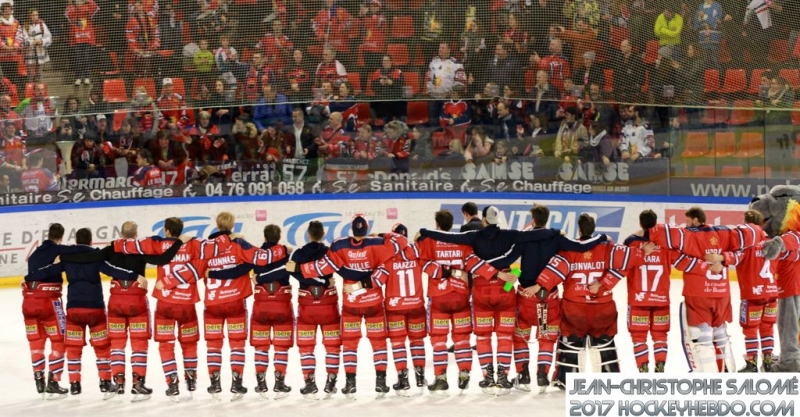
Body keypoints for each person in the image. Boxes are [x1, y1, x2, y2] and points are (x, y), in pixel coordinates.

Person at [419, 206, 563, 395]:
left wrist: (424, 232)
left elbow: (450, 237)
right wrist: (554, 231)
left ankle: (488, 378)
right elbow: (531, 236)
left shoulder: (474, 236)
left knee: (483, 337)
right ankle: (502, 378)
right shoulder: (509, 235)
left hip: (481, 291)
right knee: (504, 336)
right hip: (506, 289)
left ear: (484, 220)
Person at [286, 215, 411, 398]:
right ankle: (381, 382)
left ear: (351, 229)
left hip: (351, 303)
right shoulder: (378, 244)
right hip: (373, 302)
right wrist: (384, 235)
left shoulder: (338, 244)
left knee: (350, 345)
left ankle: (351, 384)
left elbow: (324, 267)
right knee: (378, 344)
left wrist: (299, 269)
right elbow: (402, 241)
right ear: (367, 229)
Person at [57, 221, 182, 400]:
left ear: (121, 234)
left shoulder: (110, 249)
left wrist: (67, 257)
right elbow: (161, 260)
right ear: (136, 234)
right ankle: (138, 384)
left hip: (116, 300)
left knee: (117, 343)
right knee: (139, 343)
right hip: (136, 299)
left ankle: (119, 382)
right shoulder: (140, 249)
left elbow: (89, 258)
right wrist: (177, 243)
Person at [112, 218, 230, 400]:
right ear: (181, 230)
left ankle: (172, 383)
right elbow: (218, 247)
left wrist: (116, 244)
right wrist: (231, 236)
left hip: (165, 304)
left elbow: (128, 246)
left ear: (166, 230)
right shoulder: (193, 244)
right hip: (187, 304)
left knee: (166, 345)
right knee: (189, 343)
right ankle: (191, 379)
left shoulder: (156, 243)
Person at [173, 212, 285, 400]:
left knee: (214, 345)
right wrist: (283, 250)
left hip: (213, 303)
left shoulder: (205, 247)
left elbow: (195, 271)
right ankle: (236, 383)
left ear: (217, 226)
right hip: (235, 302)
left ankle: (215, 384)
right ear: (232, 225)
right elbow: (259, 259)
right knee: (237, 345)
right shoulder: (240, 244)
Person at [26, 228, 142, 397]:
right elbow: (113, 270)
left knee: (73, 348)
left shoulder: (67, 258)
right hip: (95, 309)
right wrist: (134, 275)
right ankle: (104, 382)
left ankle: (75, 384)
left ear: (75, 239)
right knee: (102, 347)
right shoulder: (95, 258)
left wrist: (30, 277)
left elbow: (49, 270)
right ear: (91, 241)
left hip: (74, 310)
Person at [647, 207, 762, 372]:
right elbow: (744, 247)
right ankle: (727, 373)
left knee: (702, 337)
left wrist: (649, 226)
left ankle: (708, 380)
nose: (685, 225)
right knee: (721, 335)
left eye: (687, 221)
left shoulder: (690, 235)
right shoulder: (726, 233)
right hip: (722, 294)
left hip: (699, 293)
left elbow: (662, 235)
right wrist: (723, 259)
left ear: (695, 220)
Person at [533, 214, 629, 387]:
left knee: (571, 343)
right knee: (604, 343)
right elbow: (626, 263)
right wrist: (604, 283)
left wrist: (540, 286)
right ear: (593, 229)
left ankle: (567, 379)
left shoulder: (568, 249)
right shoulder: (608, 247)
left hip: (574, 308)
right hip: (602, 306)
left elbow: (554, 274)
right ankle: (609, 378)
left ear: (578, 229)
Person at [414, 210, 501, 394]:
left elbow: (424, 264)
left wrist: (444, 271)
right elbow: (473, 263)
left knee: (438, 340)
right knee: (461, 339)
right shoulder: (462, 241)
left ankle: (441, 379)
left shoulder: (428, 241)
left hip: (439, 297)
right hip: (461, 296)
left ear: (437, 224)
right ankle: (464, 374)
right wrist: (497, 274)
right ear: (452, 223)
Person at [207, 224, 294, 399]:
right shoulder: (286, 253)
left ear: (264, 237)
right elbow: (290, 270)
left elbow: (242, 268)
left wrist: (259, 277)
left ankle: (261, 384)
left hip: (260, 305)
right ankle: (279, 383)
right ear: (279, 236)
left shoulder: (255, 255)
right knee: (281, 346)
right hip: (282, 305)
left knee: (261, 346)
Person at [710, 210, 777, 372]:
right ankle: (767, 362)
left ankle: (752, 364)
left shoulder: (747, 246)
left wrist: (719, 258)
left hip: (752, 294)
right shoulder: (773, 243)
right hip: (771, 293)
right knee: (767, 328)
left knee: (750, 330)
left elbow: (735, 257)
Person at [287, 221, 341, 399]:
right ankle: (331, 382)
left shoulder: (299, 253)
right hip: (329, 303)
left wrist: (307, 277)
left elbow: (292, 271)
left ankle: (310, 383)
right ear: (323, 234)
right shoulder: (330, 251)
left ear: (308, 235)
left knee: (306, 347)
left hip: (306, 305)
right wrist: (324, 281)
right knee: (332, 346)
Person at [374, 223, 427, 395]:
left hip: (395, 307)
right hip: (416, 305)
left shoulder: (387, 257)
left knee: (398, 343)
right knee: (417, 341)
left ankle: (403, 379)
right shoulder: (417, 252)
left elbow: (377, 280)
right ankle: (420, 377)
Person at [22, 223, 69, 398]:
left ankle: (39, 380)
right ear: (61, 237)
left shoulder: (34, 254)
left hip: (28, 303)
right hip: (49, 302)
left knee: (36, 342)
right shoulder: (60, 251)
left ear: (48, 235)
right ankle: (53, 381)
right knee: (60, 340)